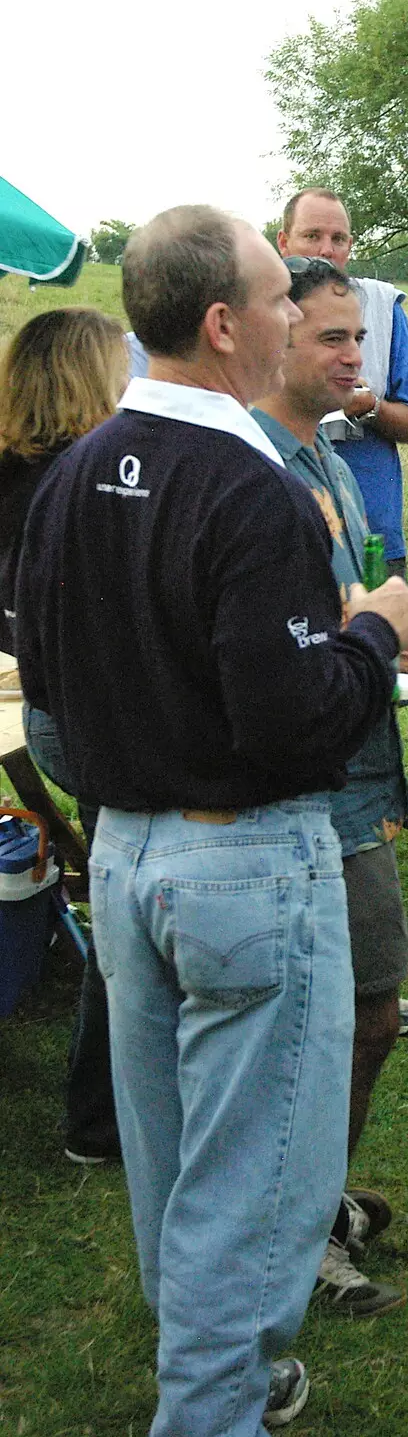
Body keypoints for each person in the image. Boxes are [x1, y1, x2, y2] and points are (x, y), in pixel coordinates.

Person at [16, 205, 408, 1437]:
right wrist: (375, 631)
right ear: (225, 322)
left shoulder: (75, 469)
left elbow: (50, 692)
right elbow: (294, 725)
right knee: (252, 1184)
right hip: (244, 857)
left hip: (131, 853)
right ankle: (210, 1420)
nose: (302, 319)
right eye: (282, 297)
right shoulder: (251, 487)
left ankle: (224, 1372)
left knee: (176, 1156)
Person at [251, 254, 408, 1314]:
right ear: (269, 336)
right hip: (301, 790)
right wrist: (367, 629)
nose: (357, 357)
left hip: (354, 768)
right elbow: (265, 644)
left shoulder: (331, 453)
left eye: (362, 338)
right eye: (333, 337)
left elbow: (349, 612)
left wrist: (400, 633)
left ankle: (310, 1197)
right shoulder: (254, 463)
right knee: (337, 1015)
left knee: (365, 1009)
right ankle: (296, 1231)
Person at [0, 308, 126, 1164]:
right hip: (88, 713)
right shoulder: (82, 485)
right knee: (128, 914)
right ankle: (98, 1117)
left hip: (39, 707)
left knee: (117, 896)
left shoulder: (12, 471)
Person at [277, 187, 408, 577]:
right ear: (283, 242)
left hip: (372, 531)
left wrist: (368, 406)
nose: (326, 250)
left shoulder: (382, 308)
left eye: (338, 238)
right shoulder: (252, 314)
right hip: (288, 532)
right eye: (312, 236)